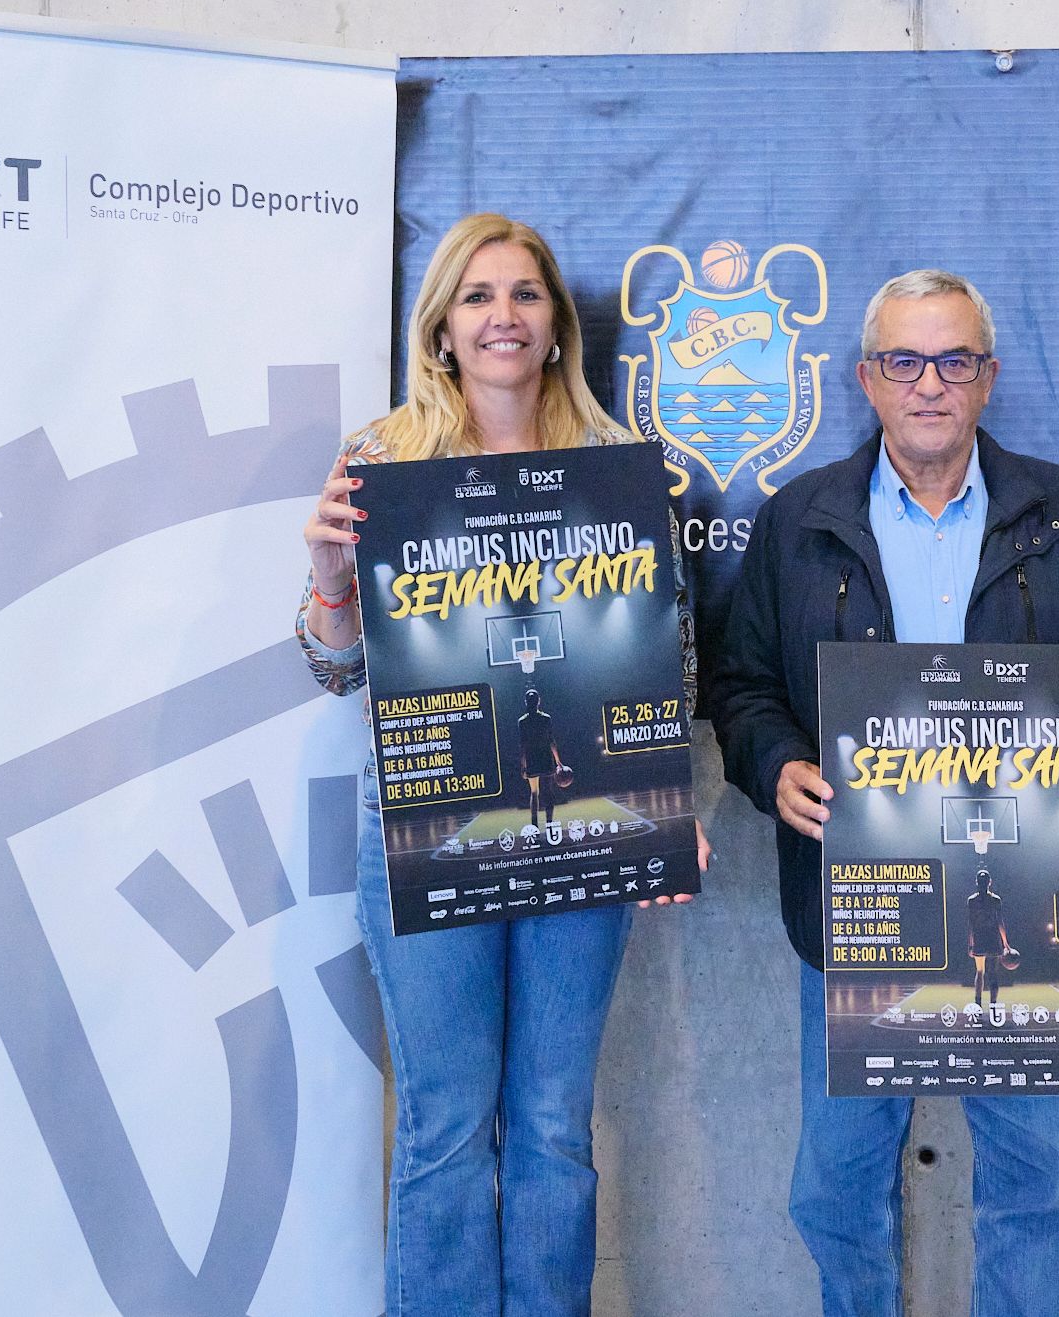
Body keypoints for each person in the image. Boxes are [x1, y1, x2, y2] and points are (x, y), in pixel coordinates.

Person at [711, 268, 1059, 1317]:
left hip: (1032, 896)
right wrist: (775, 764)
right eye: (905, 360)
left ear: (987, 378)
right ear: (866, 378)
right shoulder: (798, 519)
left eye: (953, 361)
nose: (929, 383)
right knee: (837, 1189)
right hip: (858, 894)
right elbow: (740, 684)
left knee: (1031, 1183)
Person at [297, 212, 705, 1317]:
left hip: (586, 825)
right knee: (444, 1122)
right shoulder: (383, 463)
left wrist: (665, 809)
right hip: (425, 824)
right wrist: (332, 580)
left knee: (553, 1121)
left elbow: (666, 662)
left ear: (557, 325)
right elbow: (335, 668)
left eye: (524, 294)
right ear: (440, 327)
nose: (502, 316)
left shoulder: (617, 469)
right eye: (476, 296)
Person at [518, 686, 563, 828]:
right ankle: (549, 823)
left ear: (526, 702)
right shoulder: (545, 718)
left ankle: (534, 825)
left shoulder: (523, 721)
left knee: (534, 792)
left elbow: (523, 745)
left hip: (532, 760)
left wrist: (523, 765)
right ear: (539, 701)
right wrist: (558, 760)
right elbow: (551, 741)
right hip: (545, 759)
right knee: (548, 793)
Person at [966, 868, 1010, 1007]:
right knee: (993, 973)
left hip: (979, 939)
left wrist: (970, 944)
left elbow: (971, 924)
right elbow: (1000, 922)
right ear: (989, 882)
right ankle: (993, 1004)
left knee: (980, 972)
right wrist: (1005, 942)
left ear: (977, 882)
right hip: (992, 940)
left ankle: (978, 1003)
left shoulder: (972, 900)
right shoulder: (995, 900)